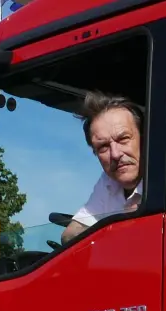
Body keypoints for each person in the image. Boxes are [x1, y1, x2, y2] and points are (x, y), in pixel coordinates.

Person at [59, 91, 144, 242]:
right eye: (103, 147)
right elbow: (69, 235)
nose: (115, 154)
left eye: (123, 139)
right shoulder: (108, 182)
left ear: (144, 139)